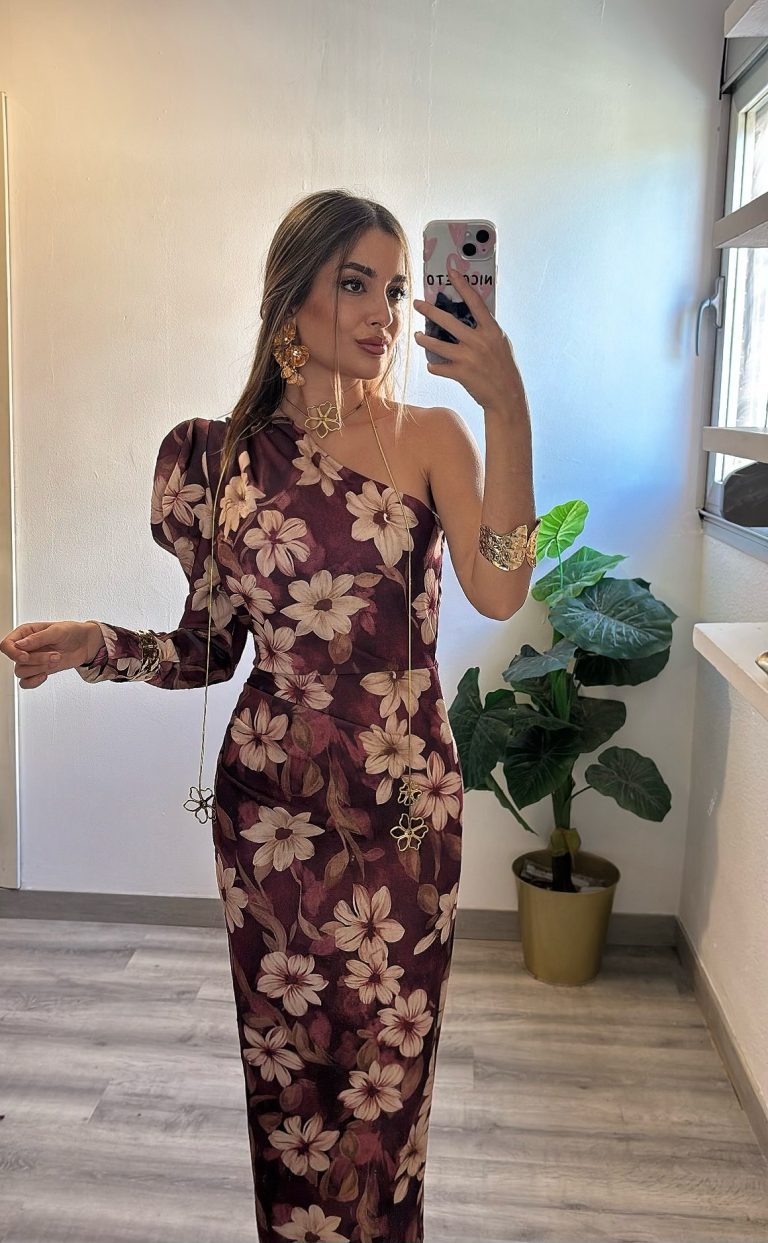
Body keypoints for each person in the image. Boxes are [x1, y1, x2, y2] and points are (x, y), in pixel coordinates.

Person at [1, 190, 536, 1243]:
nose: (384, 312)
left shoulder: (433, 437)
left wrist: (507, 407)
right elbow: (207, 648)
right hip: (272, 822)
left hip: (406, 818)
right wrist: (94, 644)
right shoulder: (217, 461)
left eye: (396, 288)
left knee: (387, 1090)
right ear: (291, 297)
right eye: (356, 283)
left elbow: (503, 584)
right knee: (291, 1089)